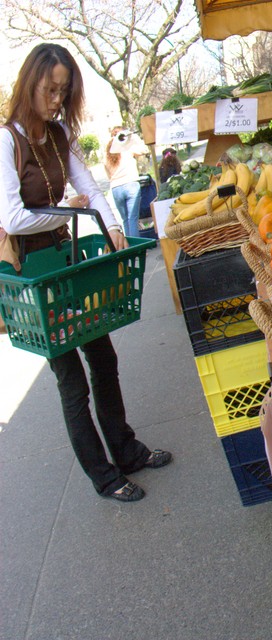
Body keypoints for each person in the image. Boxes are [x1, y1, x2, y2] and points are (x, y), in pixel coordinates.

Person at [0, 43, 172, 502]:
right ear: (30, 83)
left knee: (104, 358)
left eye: (63, 91)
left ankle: (127, 449)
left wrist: (111, 224)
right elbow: (14, 217)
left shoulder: (59, 136)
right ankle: (103, 475)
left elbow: (91, 189)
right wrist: (67, 214)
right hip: (35, 276)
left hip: (69, 264)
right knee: (71, 379)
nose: (56, 99)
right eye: (49, 89)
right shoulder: (6, 140)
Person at [104, 124, 149, 238]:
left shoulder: (108, 153)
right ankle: (136, 246)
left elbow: (107, 172)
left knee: (125, 220)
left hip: (116, 187)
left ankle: (129, 246)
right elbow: (144, 149)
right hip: (131, 184)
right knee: (133, 218)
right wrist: (133, 137)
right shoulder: (127, 148)